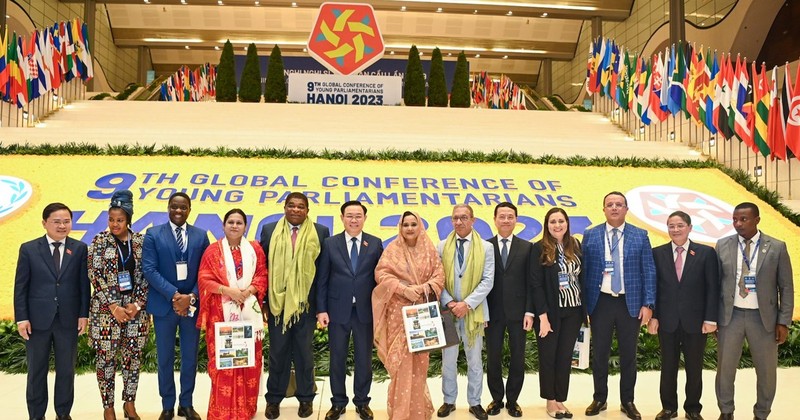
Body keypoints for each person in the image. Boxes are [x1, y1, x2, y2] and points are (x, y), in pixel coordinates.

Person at [715, 202, 793, 420]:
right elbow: (715, 284)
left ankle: (761, 413)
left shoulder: (776, 247)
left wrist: (783, 322)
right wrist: (713, 318)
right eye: (734, 219)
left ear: (757, 219)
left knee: (766, 372)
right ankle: (726, 411)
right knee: (725, 370)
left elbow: (786, 286)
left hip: (764, 318)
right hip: (730, 317)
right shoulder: (722, 245)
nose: (738, 224)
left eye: (743, 219)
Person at [581, 191, 656, 420]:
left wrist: (648, 303)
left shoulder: (639, 235)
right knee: (600, 353)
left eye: (619, 204)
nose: (614, 208)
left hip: (629, 302)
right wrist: (584, 306)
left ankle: (628, 401)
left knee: (628, 355)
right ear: (603, 209)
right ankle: (600, 398)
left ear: (626, 209)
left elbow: (649, 271)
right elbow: (583, 272)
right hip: (600, 302)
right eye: (610, 204)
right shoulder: (590, 235)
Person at [14, 202, 90, 420]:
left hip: (68, 319)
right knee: (36, 372)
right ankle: (36, 415)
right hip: (37, 321)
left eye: (66, 221)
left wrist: (83, 314)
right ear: (44, 223)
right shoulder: (29, 249)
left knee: (66, 371)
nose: (62, 225)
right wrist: (22, 318)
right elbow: (21, 286)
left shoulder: (79, 248)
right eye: (57, 221)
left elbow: (84, 285)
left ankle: (63, 413)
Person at [260, 192, 330, 419]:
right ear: (284, 207)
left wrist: (321, 307)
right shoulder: (270, 230)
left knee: (304, 354)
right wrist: (264, 303)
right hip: (277, 306)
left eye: (301, 207)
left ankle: (306, 398)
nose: (296, 210)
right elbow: (264, 269)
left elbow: (322, 274)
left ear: (307, 210)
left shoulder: (320, 232)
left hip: (305, 306)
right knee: (277, 353)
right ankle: (274, 400)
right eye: (292, 206)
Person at [143, 192, 210, 420]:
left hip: (191, 306)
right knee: (165, 358)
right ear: (168, 208)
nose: (178, 211)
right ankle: (167, 405)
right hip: (164, 306)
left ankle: (187, 404)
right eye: (174, 207)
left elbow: (207, 272)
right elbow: (149, 270)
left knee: (190, 357)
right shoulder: (153, 234)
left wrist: (190, 296)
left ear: (189, 209)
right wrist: (174, 295)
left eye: (183, 208)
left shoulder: (201, 236)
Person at [373, 211, 445, 419]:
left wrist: (423, 288)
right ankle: (400, 412)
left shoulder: (429, 249)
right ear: (400, 227)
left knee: (420, 364)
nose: (410, 228)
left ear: (420, 226)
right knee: (400, 365)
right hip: (398, 313)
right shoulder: (393, 249)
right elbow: (381, 274)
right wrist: (404, 290)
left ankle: (417, 412)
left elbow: (440, 276)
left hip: (422, 314)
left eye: (414, 224)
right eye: (406, 225)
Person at [197, 208, 268, 420]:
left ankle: (245, 410)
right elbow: (204, 279)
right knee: (225, 363)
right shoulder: (213, 251)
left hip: (248, 315)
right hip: (221, 316)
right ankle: (221, 412)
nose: (234, 226)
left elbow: (262, 275)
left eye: (239, 222)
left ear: (245, 226)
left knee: (247, 362)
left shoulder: (255, 249)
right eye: (231, 222)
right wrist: (229, 292)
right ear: (224, 225)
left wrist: (246, 293)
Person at [647, 211, 718, 420]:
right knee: (668, 366)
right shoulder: (657, 253)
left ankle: (693, 409)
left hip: (696, 322)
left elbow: (712, 288)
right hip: (667, 321)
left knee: (694, 368)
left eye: (679, 225)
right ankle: (669, 407)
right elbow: (654, 288)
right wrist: (654, 316)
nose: (675, 230)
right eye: (671, 226)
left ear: (689, 227)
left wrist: (710, 319)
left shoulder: (706, 253)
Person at [317, 201, 384, 420]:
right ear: (342, 217)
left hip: (365, 311)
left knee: (364, 359)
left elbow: (380, 279)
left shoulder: (374, 243)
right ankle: (338, 403)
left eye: (358, 216)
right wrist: (321, 309)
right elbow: (322, 279)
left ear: (365, 218)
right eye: (349, 216)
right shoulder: (330, 243)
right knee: (337, 358)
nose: (353, 220)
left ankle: (362, 402)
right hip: (337, 310)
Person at [87, 190, 149, 420]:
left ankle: (129, 403)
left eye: (120, 220)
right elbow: (94, 273)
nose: (115, 224)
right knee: (106, 359)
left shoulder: (141, 242)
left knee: (132, 358)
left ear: (129, 219)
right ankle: (108, 406)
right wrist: (113, 306)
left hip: (135, 313)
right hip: (106, 312)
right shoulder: (99, 241)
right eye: (111, 219)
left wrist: (138, 304)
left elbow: (147, 274)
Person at [437, 204, 495, 420]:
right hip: (448, 312)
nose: (459, 222)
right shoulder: (442, 246)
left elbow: (488, 280)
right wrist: (450, 302)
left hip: (475, 312)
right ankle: (449, 400)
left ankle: (475, 402)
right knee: (448, 361)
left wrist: (467, 304)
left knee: (475, 360)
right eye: (455, 218)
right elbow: (438, 279)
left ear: (473, 220)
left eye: (463, 218)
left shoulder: (486, 248)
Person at [532, 208, 585, 419]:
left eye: (561, 221)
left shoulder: (575, 245)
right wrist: (542, 317)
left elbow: (581, 277)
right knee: (549, 357)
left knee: (564, 357)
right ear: (547, 225)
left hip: (574, 310)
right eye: (552, 221)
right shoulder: (539, 248)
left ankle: (561, 399)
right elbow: (536, 285)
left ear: (567, 223)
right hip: (550, 313)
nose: (557, 225)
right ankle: (550, 401)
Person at [484, 202, 534, 418]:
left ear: (516, 219)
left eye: (510, 216)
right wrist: (481, 312)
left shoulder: (527, 247)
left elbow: (532, 282)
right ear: (494, 219)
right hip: (492, 313)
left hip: (518, 313)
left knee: (517, 357)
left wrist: (529, 312)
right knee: (493, 357)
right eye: (502, 216)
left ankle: (513, 400)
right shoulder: (485, 246)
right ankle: (496, 398)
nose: (506, 220)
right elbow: (480, 282)